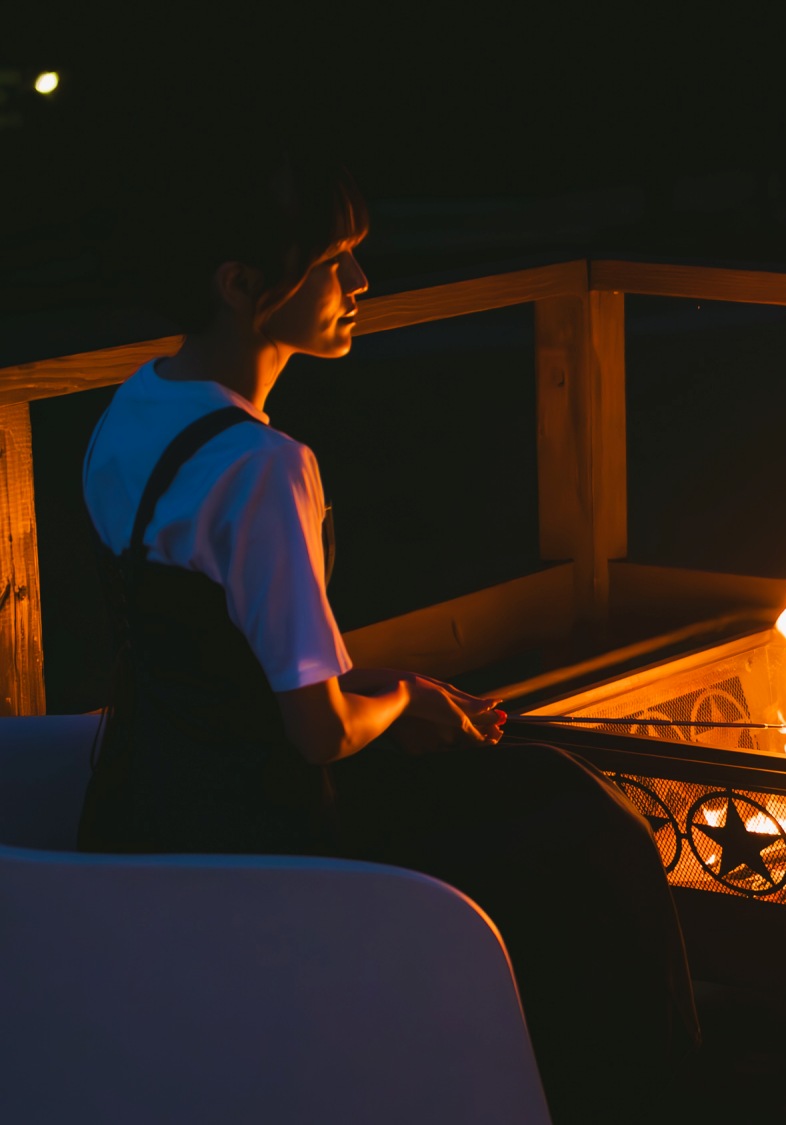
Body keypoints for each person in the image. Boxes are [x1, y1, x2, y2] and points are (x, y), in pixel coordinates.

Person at [78, 146, 698, 1123]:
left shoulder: (132, 411)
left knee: (533, 797)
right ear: (244, 286)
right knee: (583, 840)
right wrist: (403, 700)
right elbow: (316, 733)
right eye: (335, 262)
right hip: (265, 843)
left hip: (136, 810)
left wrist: (397, 682)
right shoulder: (264, 467)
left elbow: (213, 652)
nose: (361, 282)